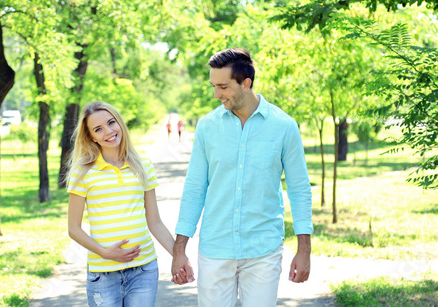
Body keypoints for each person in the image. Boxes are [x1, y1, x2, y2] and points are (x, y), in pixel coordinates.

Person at [171, 48, 313, 307]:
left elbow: (300, 189)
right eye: (214, 86)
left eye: (223, 86)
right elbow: (194, 189)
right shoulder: (207, 126)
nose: (217, 94)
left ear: (246, 84)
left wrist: (304, 250)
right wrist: (179, 249)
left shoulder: (284, 126)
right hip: (216, 248)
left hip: (263, 249)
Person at [67, 101, 192, 307]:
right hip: (103, 273)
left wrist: (179, 257)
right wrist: (106, 253)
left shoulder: (142, 164)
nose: (108, 131)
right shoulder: (83, 171)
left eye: (111, 123)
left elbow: (155, 223)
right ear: (91, 136)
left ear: (119, 123)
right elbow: (73, 229)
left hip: (143, 270)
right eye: (98, 129)